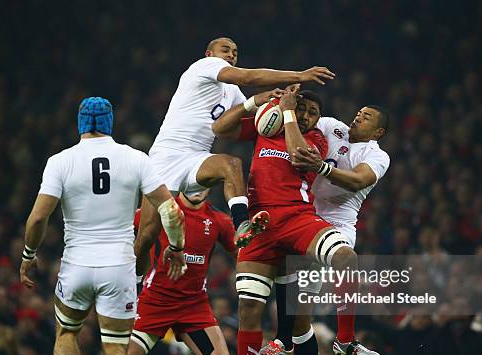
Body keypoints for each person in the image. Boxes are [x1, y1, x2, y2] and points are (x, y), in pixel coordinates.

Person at [19, 97, 186, 355]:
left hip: (76, 265)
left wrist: (28, 255)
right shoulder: (136, 159)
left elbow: (38, 219)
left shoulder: (60, 161)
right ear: (110, 123)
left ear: (79, 123)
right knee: (116, 347)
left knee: (67, 333)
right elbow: (171, 211)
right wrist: (177, 247)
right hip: (118, 268)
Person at [210, 85, 359, 355]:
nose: (307, 115)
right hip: (260, 224)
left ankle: (346, 339)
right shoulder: (267, 125)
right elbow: (220, 129)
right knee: (248, 306)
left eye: (313, 113)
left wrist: (290, 111)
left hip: (297, 217)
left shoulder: (316, 143)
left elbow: (296, 155)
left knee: (344, 259)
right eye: (303, 108)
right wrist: (254, 101)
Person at [135, 37, 335, 273]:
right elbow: (248, 77)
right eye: (225, 50)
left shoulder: (232, 92)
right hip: (166, 156)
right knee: (147, 236)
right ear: (209, 54)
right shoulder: (203, 67)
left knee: (230, 164)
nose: (231, 54)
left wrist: (280, 101)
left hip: (197, 157)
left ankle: (241, 224)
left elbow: (255, 119)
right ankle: (133, 286)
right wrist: (299, 75)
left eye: (235, 52)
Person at [257, 105, 391, 355]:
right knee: (302, 318)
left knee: (346, 259)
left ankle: (345, 339)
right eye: (359, 112)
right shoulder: (331, 126)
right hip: (302, 217)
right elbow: (303, 128)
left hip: (336, 224)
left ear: (378, 132)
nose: (358, 116)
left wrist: (323, 167)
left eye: (367, 117)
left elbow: (358, 181)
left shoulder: (377, 155)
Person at [79, 189, 237, 355]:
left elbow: (242, 251)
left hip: (194, 306)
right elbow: (120, 230)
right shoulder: (160, 209)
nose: (197, 189)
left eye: (202, 184)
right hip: (155, 303)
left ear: (209, 185)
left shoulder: (219, 220)